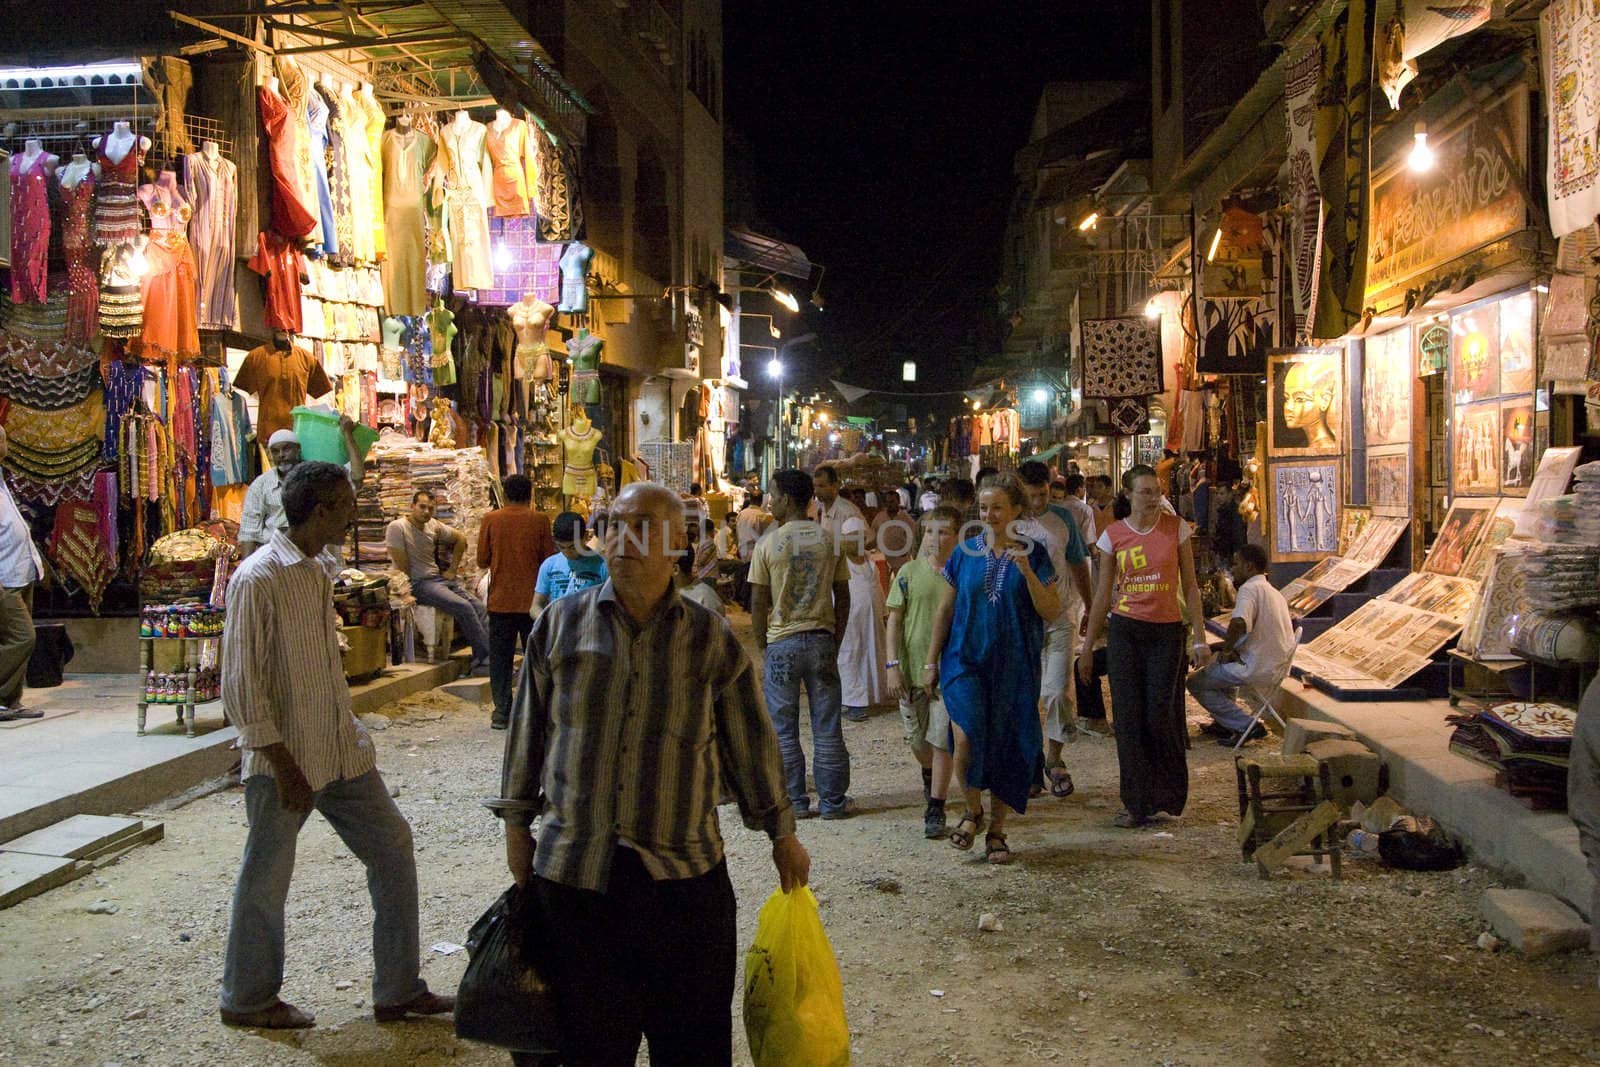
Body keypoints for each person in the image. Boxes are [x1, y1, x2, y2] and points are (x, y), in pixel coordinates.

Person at [494, 481, 809, 1066]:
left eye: (640, 526)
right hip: (576, 873)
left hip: (683, 877)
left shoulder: (708, 636)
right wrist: (517, 826)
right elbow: (528, 733)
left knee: (690, 1046)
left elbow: (749, 741)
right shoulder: (560, 625)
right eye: (612, 524)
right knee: (589, 1046)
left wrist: (781, 833)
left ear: (678, 545)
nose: (621, 539)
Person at [219, 462, 453, 1029]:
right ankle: (247, 999)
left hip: (339, 748)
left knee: (393, 846)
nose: (354, 511)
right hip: (287, 758)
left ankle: (397, 988)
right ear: (321, 511)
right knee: (266, 875)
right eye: (347, 503)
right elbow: (242, 685)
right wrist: (282, 763)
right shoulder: (257, 578)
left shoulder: (318, 569)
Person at [924, 472, 1059, 864]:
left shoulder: (1035, 553)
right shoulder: (965, 552)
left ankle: (997, 830)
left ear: (1017, 509)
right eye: (984, 507)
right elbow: (945, 609)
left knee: (1007, 742)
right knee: (965, 734)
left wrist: (1029, 574)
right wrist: (931, 660)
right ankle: (972, 810)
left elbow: (1050, 610)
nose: (989, 514)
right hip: (964, 657)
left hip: (1015, 664)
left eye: (998, 507)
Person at [1078, 464, 1209, 829]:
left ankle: (1167, 795)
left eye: (1156, 490)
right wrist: (1088, 646)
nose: (1153, 497)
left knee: (1159, 715)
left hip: (1167, 634)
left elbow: (1191, 586)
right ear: (1129, 495)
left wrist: (1199, 637)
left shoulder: (1175, 529)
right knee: (1128, 719)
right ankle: (1135, 802)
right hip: (1125, 632)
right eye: (1145, 491)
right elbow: (1104, 592)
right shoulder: (1113, 537)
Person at [749, 469, 852, 820]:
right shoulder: (828, 540)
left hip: (782, 643)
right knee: (827, 725)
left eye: (773, 495)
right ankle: (833, 802)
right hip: (821, 640)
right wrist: (834, 637)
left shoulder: (768, 544)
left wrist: (763, 642)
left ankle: (795, 801)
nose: (769, 501)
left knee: (784, 727)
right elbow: (844, 596)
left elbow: (759, 601)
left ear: (788, 500)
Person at [1017, 461, 1094, 794]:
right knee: (1025, 695)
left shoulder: (1062, 518)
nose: (1037, 502)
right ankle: (1029, 763)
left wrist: (1091, 606)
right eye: (1031, 495)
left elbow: (1078, 562)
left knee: (1057, 691)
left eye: (1042, 494)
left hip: (1060, 616)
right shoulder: (1008, 521)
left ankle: (1055, 759)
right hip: (1021, 621)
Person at [886, 506, 962, 838]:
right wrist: (892, 665)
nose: (935, 538)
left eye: (943, 531)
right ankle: (930, 776)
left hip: (948, 671)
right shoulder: (907, 573)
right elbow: (894, 620)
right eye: (930, 531)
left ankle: (936, 806)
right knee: (918, 741)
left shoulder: (961, 574)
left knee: (941, 739)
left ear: (958, 536)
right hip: (911, 668)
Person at [1187, 545, 1294, 746]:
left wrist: (1226, 651)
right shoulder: (1273, 592)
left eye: (1236, 564)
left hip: (1257, 666)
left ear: (1249, 567)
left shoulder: (1249, 589)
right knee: (1218, 670)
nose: (1233, 569)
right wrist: (1221, 648)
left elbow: (1239, 623)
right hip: (1274, 665)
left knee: (1195, 683)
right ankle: (1224, 723)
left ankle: (1245, 725)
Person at [476, 474, 556, 730]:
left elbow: (481, 559)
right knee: (535, 656)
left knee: (500, 659)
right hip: (533, 602)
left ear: (506, 494)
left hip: (500, 600)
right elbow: (548, 559)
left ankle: (502, 712)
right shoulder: (541, 520)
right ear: (530, 494)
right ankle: (532, 710)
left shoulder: (491, 519)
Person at [385, 490, 490, 674]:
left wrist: (452, 569)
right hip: (418, 583)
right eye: (422, 507)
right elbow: (402, 568)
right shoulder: (398, 527)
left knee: (479, 606)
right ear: (412, 506)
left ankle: (488, 655)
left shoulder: (432, 525)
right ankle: (485, 660)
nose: (426, 512)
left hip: (438, 580)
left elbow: (460, 539)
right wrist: (406, 592)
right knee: (463, 606)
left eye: (430, 509)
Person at [238, 420, 367, 558]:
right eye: (275, 451)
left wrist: (347, 434)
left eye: (286, 449)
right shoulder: (261, 485)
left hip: (320, 558)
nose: (281, 455)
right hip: (277, 560)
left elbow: (357, 476)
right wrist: (248, 567)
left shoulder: (319, 476)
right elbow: (249, 531)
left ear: (298, 449)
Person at [0, 427, 40, 720]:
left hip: (19, 571)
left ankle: (10, 701)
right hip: (4, 577)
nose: (5, 444)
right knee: (22, 637)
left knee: (14, 637)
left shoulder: (2, 478)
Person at [837, 515, 888, 722]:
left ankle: (870, 698)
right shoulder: (839, 562)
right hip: (849, 620)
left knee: (872, 654)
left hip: (871, 619)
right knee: (849, 656)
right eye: (851, 537)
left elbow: (877, 588)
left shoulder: (871, 561)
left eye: (859, 537)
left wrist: (884, 613)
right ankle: (854, 703)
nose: (856, 541)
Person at [531, 511, 608, 615]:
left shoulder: (602, 566)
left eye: (573, 547)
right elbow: (536, 605)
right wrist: (548, 621)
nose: (567, 552)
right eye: (561, 547)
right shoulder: (549, 565)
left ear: (585, 536)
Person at [810, 462, 861, 543]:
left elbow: (856, 548)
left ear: (835, 486)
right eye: (814, 486)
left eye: (821, 486)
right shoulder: (820, 511)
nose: (816, 491)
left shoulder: (848, 513)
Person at [870, 490, 914, 573]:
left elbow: (913, 538)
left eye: (892, 501)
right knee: (884, 585)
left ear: (898, 502)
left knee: (900, 584)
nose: (889, 504)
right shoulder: (880, 517)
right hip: (883, 560)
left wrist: (906, 551)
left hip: (900, 561)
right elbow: (872, 534)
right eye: (887, 502)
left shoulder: (906, 518)